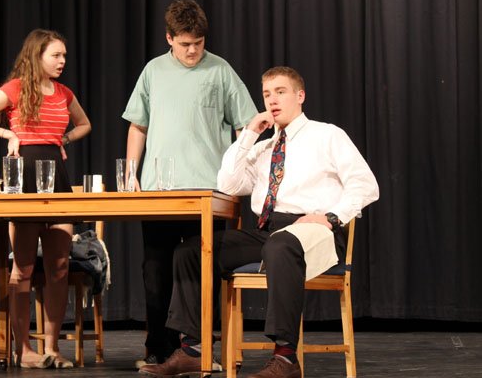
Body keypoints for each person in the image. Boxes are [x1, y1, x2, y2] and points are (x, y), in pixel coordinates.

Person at [139, 66, 380, 378]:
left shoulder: (327, 135)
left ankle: (285, 358)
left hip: (316, 230)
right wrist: (250, 132)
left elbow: (365, 185)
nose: (272, 100)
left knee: (281, 244)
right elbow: (228, 183)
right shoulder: (263, 148)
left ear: (300, 96)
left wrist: (331, 217)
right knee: (193, 251)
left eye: (280, 92)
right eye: (267, 94)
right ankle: (193, 350)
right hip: (269, 232)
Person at [122, 0, 257, 369]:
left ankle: (199, 348)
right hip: (159, 191)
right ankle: (158, 348)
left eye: (198, 42)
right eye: (184, 44)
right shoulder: (153, 71)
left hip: (209, 192)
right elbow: (138, 125)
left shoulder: (221, 70)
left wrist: (238, 169)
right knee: (156, 270)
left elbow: (247, 123)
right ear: (169, 38)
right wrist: (131, 172)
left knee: (203, 269)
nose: (193, 50)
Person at [0, 29, 92, 369]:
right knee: (22, 269)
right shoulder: (15, 89)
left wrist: (64, 140)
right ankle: (25, 350)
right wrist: (8, 133)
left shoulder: (64, 92)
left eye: (65, 56)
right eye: (56, 55)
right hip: (24, 177)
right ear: (36, 55)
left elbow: (85, 124)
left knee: (58, 267)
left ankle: (52, 347)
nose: (62, 61)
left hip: (58, 179)